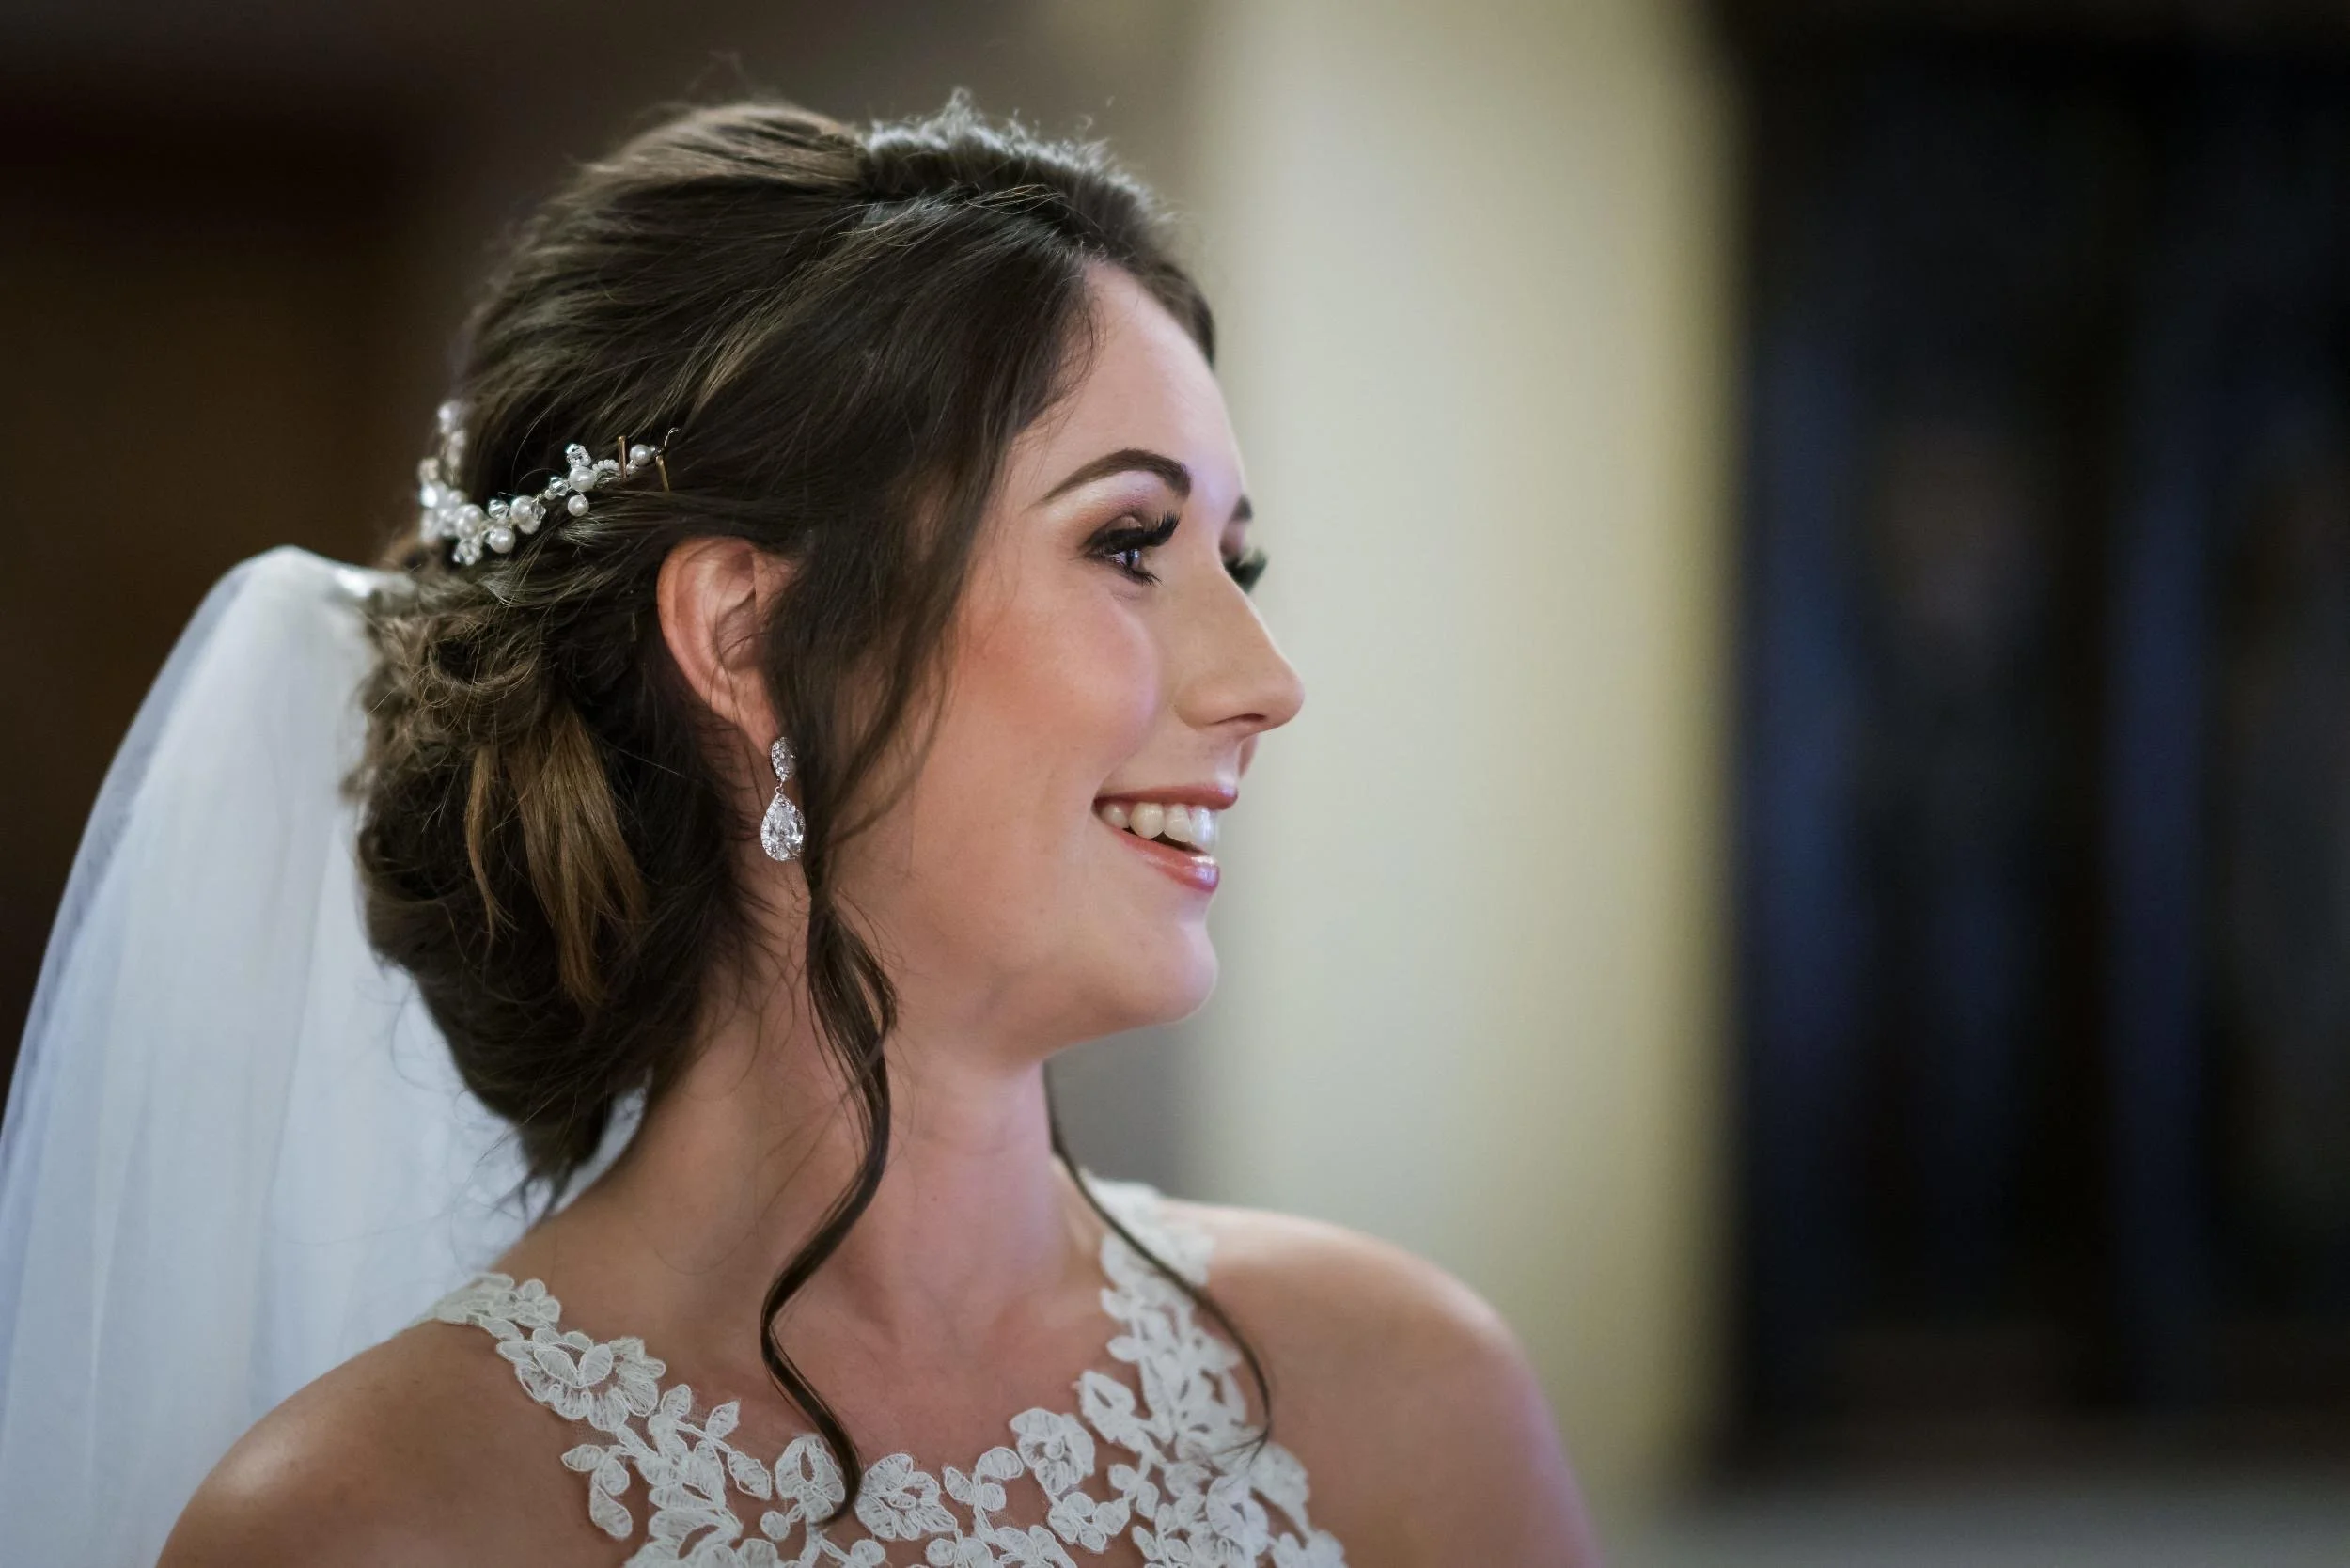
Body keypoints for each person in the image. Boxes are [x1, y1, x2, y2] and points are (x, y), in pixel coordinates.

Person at [4, 97, 1593, 1566]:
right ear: (748, 638)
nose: (1266, 683)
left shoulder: (1407, 1403)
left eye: (1232, 565)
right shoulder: (376, 1525)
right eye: (1127, 543)